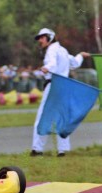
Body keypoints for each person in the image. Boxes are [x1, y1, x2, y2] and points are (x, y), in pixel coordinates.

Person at [30, 28, 91, 157]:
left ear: (50, 37)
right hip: (63, 87)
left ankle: (37, 149)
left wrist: (47, 68)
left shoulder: (51, 50)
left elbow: (51, 63)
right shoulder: (63, 50)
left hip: (53, 86)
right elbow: (74, 63)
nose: (40, 40)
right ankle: (62, 150)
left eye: (42, 37)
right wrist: (80, 55)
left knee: (42, 117)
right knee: (62, 119)